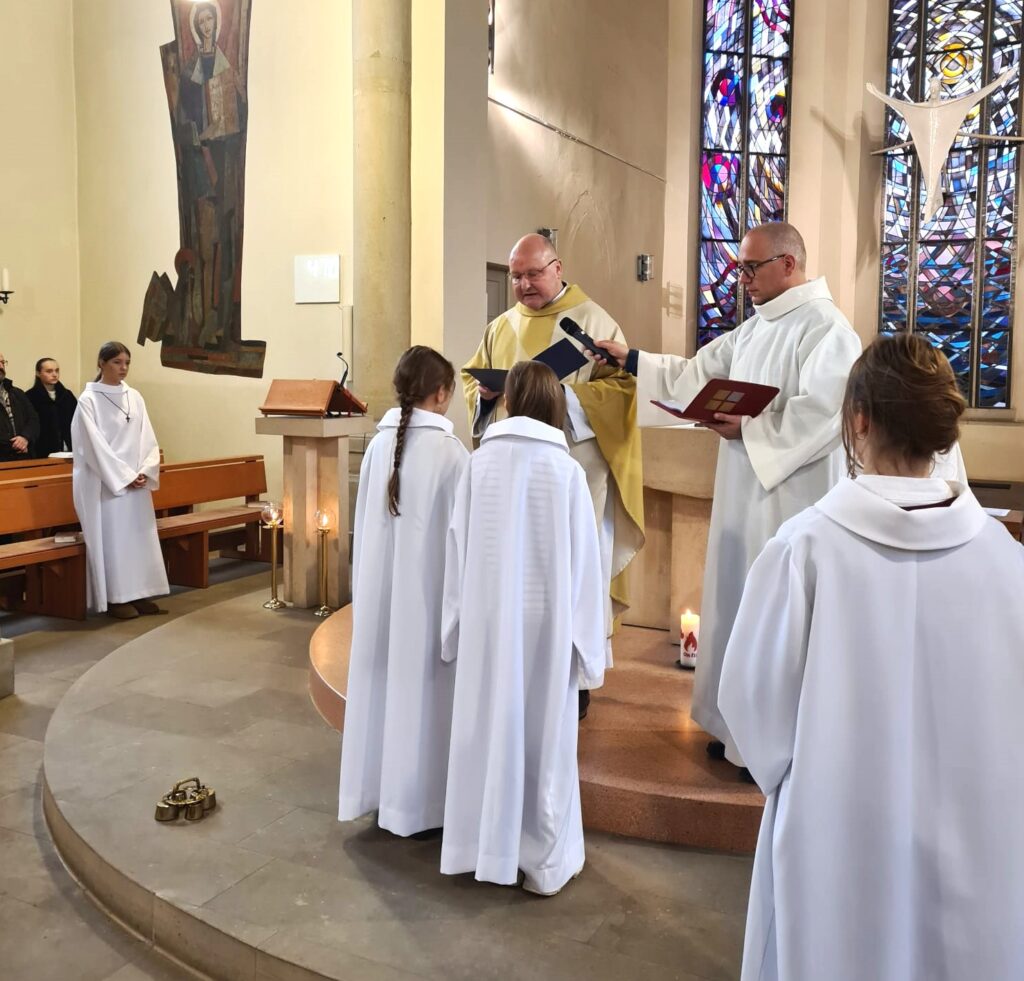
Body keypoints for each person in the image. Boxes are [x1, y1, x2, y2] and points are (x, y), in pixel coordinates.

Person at [718, 333, 1024, 981]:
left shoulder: (805, 551)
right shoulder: (1007, 562)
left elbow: (754, 716)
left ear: (857, 420)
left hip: (837, 845)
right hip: (979, 841)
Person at [592, 222, 862, 772]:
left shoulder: (828, 329)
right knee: (735, 604)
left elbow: (824, 414)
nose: (741, 280)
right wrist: (633, 360)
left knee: (774, 617)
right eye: (739, 268)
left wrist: (753, 432)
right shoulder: (756, 328)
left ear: (789, 264)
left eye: (750, 268)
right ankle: (731, 724)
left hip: (789, 504)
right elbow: (696, 373)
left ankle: (770, 743)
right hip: (743, 496)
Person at [440, 361, 607, 896]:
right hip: (546, 629)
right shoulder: (566, 473)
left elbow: (457, 548)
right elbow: (586, 566)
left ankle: (479, 847)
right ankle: (541, 860)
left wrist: (455, 622)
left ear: (507, 402)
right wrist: (588, 651)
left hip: (490, 623)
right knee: (543, 738)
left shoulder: (478, 464)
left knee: (486, 728)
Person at [463, 233, 644, 719]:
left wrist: (564, 403)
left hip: (575, 474)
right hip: (508, 478)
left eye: (533, 274)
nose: (523, 284)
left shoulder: (593, 322)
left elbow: (623, 392)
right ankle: (510, 662)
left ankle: (575, 679)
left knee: (569, 568)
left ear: (557, 267)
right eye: (516, 275)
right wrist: (483, 395)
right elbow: (471, 382)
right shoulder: (499, 327)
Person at [339, 346, 469, 836]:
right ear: (442, 393)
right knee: (423, 697)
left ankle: (380, 793)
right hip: (427, 601)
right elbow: (463, 540)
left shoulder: (378, 445)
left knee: (384, 691)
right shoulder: (451, 454)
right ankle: (419, 806)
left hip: (381, 597)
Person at [71, 342, 169, 620]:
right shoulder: (88, 400)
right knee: (113, 540)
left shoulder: (134, 396)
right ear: (101, 363)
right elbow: (92, 446)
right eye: (117, 362)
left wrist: (144, 470)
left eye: (127, 362)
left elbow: (147, 437)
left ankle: (139, 593)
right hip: (105, 484)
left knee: (137, 538)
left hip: (134, 482)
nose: (123, 368)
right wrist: (124, 476)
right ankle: (115, 598)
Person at [27, 358, 77, 457]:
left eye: (57, 370)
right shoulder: (30, 397)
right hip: (42, 451)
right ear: (38, 373)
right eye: (49, 371)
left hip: (69, 448)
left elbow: (77, 420)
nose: (54, 374)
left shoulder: (67, 395)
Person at [0, 353, 40, 462]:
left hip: (23, 458)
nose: (1, 366)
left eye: (3, 362)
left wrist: (25, 437)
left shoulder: (17, 393)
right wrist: (14, 446)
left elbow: (33, 419)